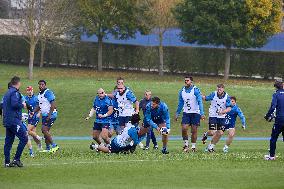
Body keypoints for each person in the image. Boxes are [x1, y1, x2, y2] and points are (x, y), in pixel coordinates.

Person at [3, 76, 28, 167]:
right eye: (20, 83)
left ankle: (7, 162)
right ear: (18, 83)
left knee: (8, 141)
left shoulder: (6, 93)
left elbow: (2, 106)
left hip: (8, 121)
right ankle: (16, 159)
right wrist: (23, 105)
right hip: (14, 121)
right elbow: (14, 104)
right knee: (24, 138)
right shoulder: (15, 92)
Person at [175, 76, 205, 152]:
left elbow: (200, 102)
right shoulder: (182, 90)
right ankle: (186, 144)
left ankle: (193, 147)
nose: (186, 82)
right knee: (184, 128)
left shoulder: (196, 90)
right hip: (186, 113)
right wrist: (177, 113)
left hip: (195, 113)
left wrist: (202, 113)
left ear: (191, 82)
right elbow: (180, 103)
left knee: (194, 130)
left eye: (187, 80)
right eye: (185, 80)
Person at [202, 84, 231, 152]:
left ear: (223, 89)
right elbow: (206, 98)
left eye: (220, 89)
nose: (219, 90)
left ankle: (211, 147)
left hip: (222, 117)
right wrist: (200, 95)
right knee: (212, 132)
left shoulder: (227, 97)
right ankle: (206, 134)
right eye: (218, 89)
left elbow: (229, 108)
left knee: (220, 133)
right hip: (213, 115)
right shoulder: (213, 94)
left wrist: (223, 112)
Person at [32, 80, 59, 153]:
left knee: (44, 130)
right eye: (40, 84)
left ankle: (54, 146)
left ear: (45, 85)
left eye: (42, 84)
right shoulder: (40, 94)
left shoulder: (48, 92)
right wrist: (33, 112)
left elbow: (53, 104)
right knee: (45, 131)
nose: (41, 86)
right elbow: (39, 106)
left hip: (51, 115)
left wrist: (49, 115)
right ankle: (47, 148)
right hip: (44, 115)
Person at [264, 80, 284, 160]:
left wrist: (267, 116)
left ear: (275, 87)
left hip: (279, 120)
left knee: (274, 138)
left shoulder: (276, 95)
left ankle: (271, 156)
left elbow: (273, 107)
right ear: (282, 85)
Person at [24, 86, 42, 152]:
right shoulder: (25, 98)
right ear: (27, 91)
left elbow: (41, 106)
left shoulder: (36, 98)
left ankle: (39, 137)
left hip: (35, 117)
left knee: (27, 131)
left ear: (32, 90)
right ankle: (39, 146)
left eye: (31, 90)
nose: (30, 91)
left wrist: (39, 113)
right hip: (29, 117)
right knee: (33, 133)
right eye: (28, 90)